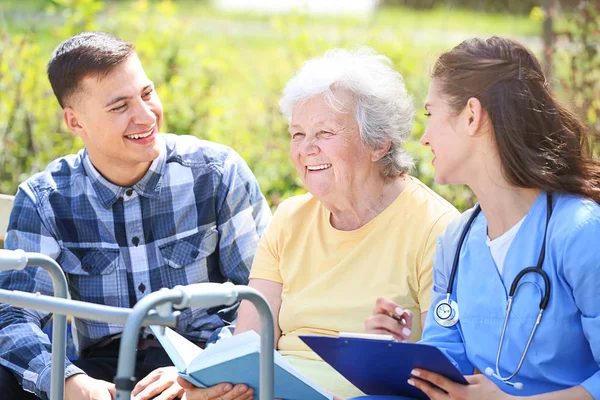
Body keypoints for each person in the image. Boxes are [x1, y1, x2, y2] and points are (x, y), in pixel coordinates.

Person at [173, 48, 459, 400]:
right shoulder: (290, 220)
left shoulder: (436, 228)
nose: (306, 149)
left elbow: (444, 372)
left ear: (379, 143)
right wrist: (216, 386)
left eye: (324, 133)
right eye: (297, 134)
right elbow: (247, 343)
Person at [0, 31, 271, 400]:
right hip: (101, 372)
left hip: (207, 363)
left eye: (147, 94)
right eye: (120, 107)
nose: (146, 116)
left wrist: (201, 370)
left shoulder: (218, 173)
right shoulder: (45, 200)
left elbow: (263, 297)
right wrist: (66, 381)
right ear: (75, 122)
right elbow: (14, 315)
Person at [367, 36, 600, 399]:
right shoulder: (455, 242)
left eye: (431, 115)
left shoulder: (580, 232)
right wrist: (398, 350)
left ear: (472, 116)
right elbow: (448, 374)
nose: (424, 137)